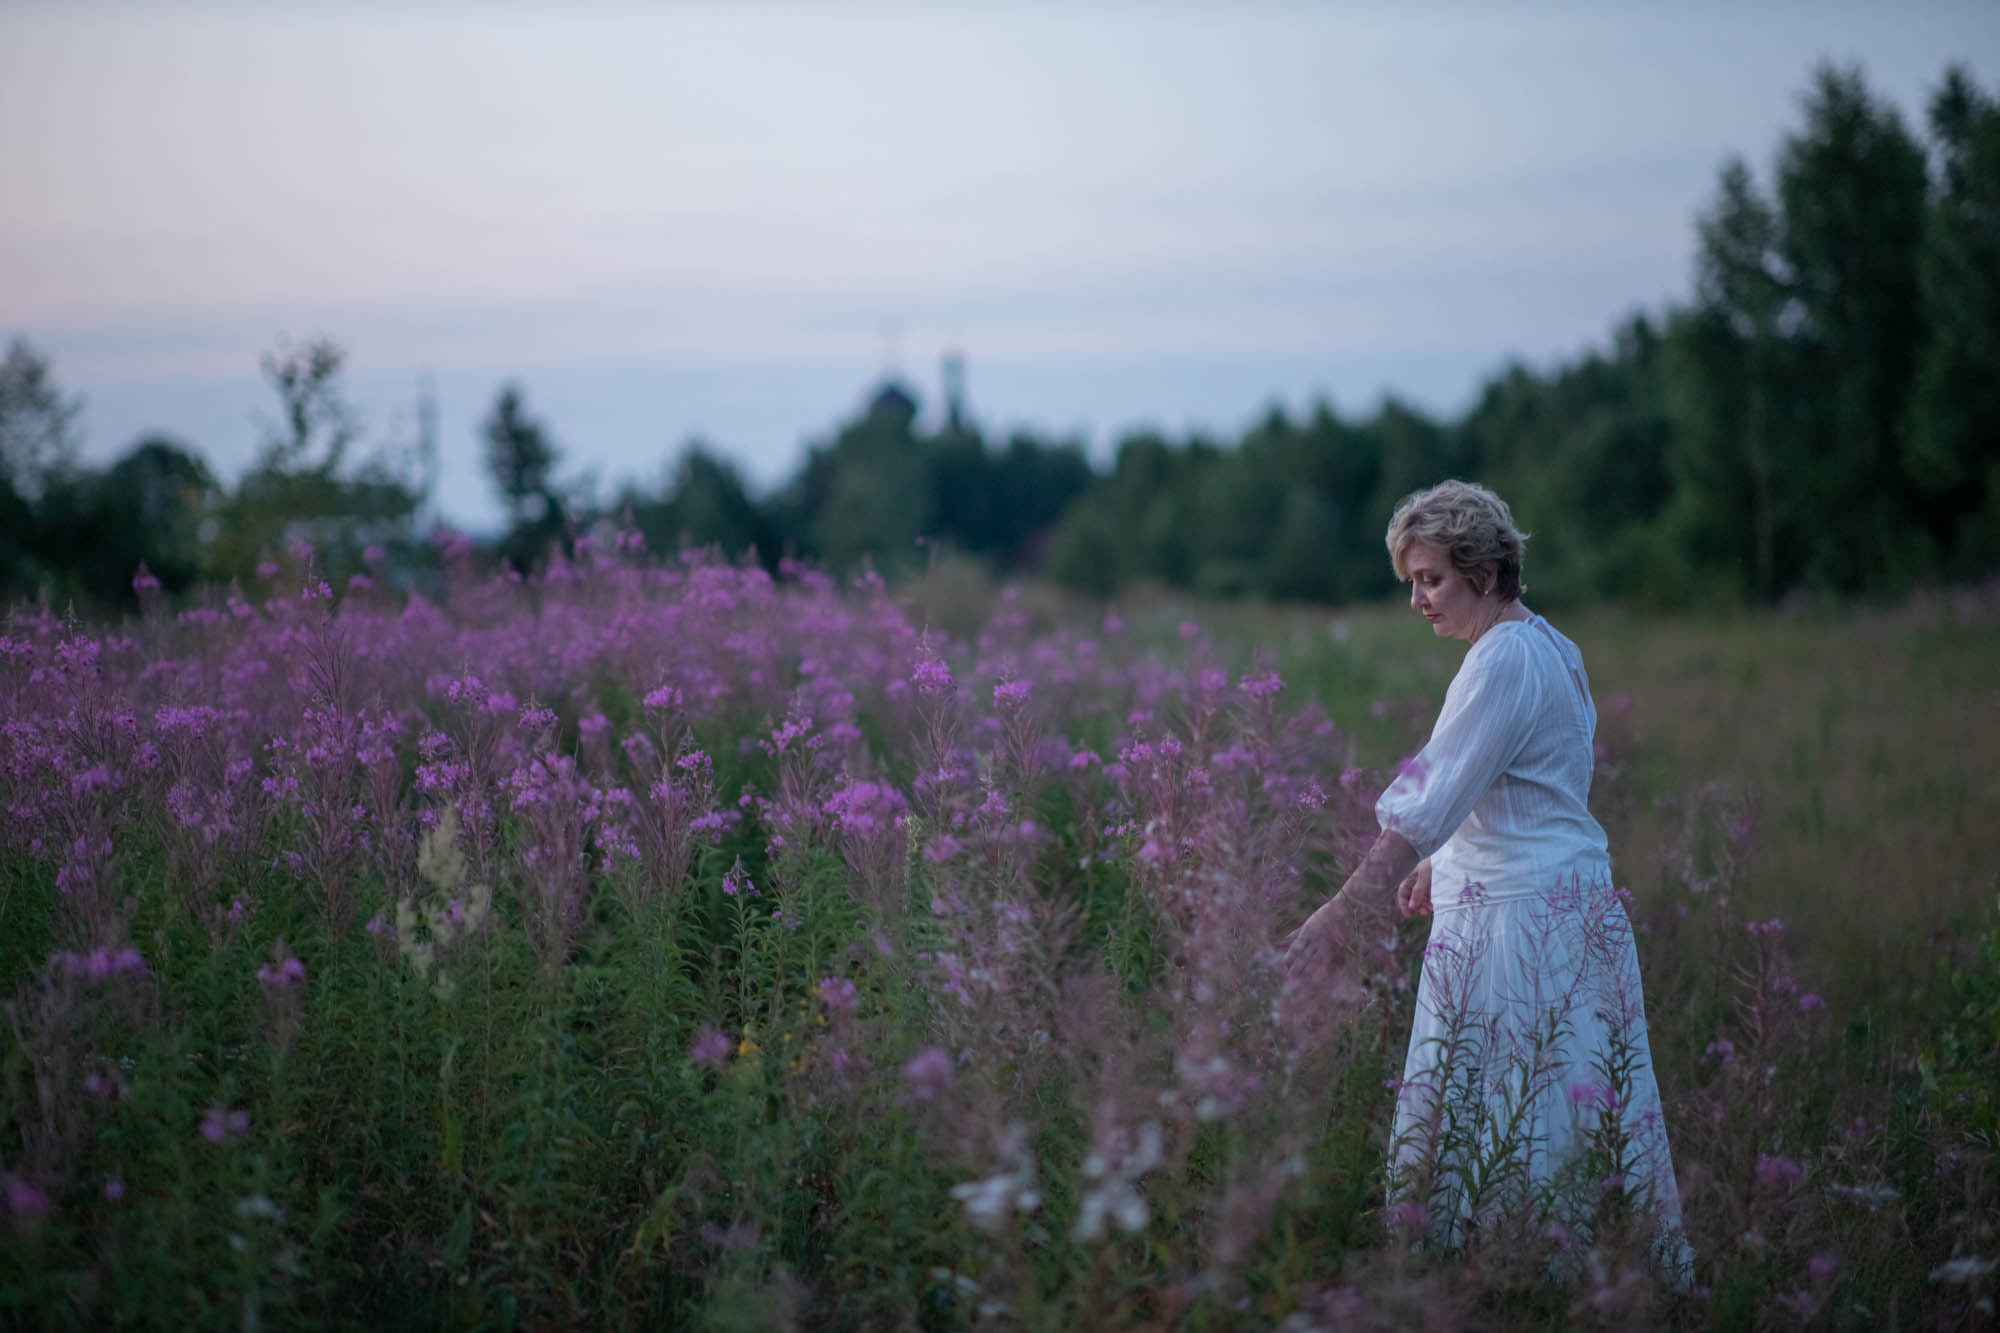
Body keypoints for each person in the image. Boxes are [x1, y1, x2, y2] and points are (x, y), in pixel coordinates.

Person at [1282, 479, 1692, 1281]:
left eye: (1430, 578)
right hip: (1564, 912)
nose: (1417, 600)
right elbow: (1533, 790)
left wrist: (1337, 917)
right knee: (1559, 1113)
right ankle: (1559, 1282)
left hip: (1517, 931)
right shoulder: (1550, 645)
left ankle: (1514, 1283)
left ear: (1485, 568)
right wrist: (1447, 861)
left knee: (1519, 1118)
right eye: (1411, 581)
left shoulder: (1500, 659)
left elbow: (1425, 802)